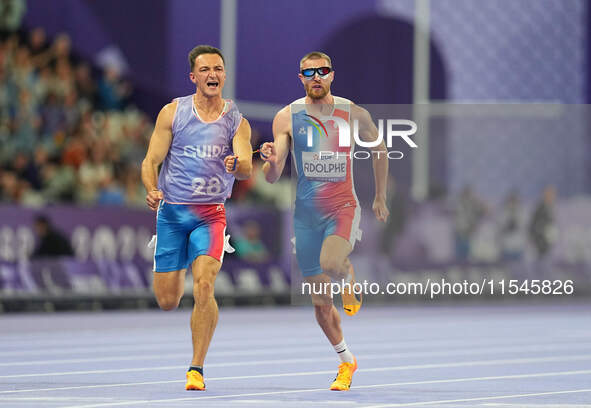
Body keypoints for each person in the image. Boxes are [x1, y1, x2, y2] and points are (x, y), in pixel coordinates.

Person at [260, 51, 389, 391]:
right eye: (309, 72)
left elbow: (381, 149)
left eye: (322, 71)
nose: (316, 76)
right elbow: (273, 176)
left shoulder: (352, 112)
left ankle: (347, 274)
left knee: (330, 261)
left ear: (332, 74)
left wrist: (379, 196)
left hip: (343, 206)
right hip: (306, 215)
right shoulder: (287, 117)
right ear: (300, 77)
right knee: (321, 304)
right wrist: (271, 162)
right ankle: (347, 361)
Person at [141, 45, 252, 391]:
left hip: (211, 215)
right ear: (193, 77)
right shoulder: (173, 113)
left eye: (218, 69)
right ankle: (174, 268)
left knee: (205, 285)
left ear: (224, 75)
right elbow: (150, 162)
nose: (212, 75)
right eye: (205, 70)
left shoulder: (237, 120)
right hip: (172, 213)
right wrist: (151, 188)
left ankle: (196, 368)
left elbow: (247, 165)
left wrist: (238, 164)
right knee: (168, 300)